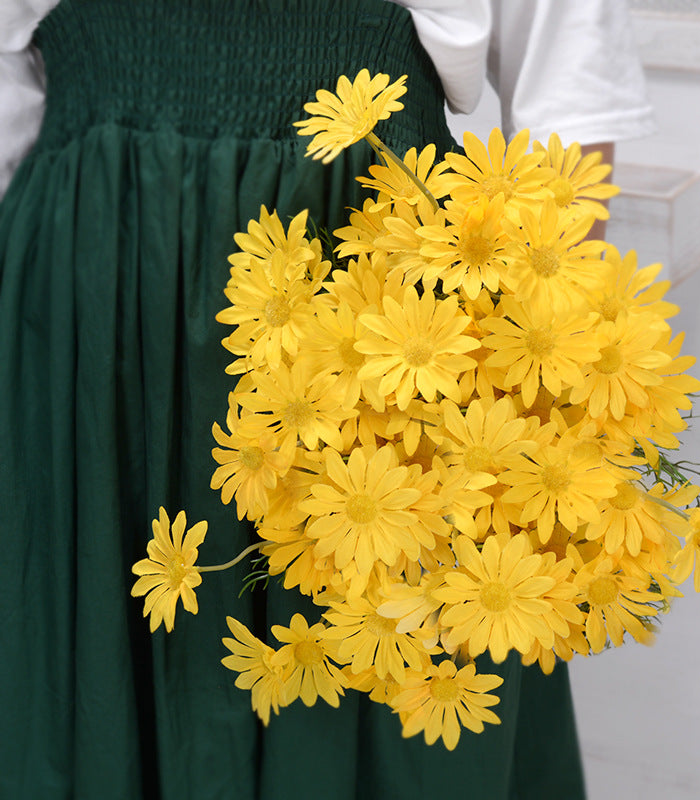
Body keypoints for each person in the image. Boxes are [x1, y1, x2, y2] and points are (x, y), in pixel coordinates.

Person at [0, 2, 654, 798]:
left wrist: (538, 376)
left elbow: (567, 95)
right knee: (92, 670)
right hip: (91, 298)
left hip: (379, 304)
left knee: (379, 678)